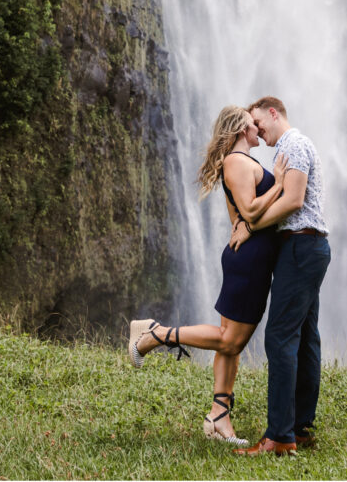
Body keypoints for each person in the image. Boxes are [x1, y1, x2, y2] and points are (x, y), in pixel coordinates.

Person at [128, 105, 288, 446]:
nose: (258, 126)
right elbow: (250, 210)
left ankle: (219, 417)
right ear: (240, 127)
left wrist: (271, 186)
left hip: (252, 256)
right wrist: (281, 183)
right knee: (229, 339)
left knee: (232, 344)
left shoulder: (245, 162)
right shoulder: (237, 161)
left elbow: (248, 216)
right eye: (252, 121)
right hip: (249, 260)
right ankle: (155, 334)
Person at [230, 96, 330, 457]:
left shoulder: (295, 145)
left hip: (302, 248)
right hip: (304, 247)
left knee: (280, 337)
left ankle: (280, 437)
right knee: (304, 338)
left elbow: (293, 200)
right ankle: (300, 428)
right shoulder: (284, 151)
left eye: (259, 122)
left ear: (274, 113)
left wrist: (252, 223)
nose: (256, 131)